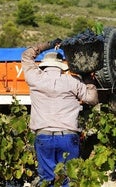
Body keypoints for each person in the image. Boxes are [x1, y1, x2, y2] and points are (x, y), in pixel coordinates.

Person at [21, 39, 98, 186]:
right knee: (69, 180)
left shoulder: (35, 78)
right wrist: (88, 77)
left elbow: (26, 55)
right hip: (68, 137)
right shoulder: (73, 82)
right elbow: (93, 100)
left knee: (47, 180)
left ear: (44, 65)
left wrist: (49, 44)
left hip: (43, 137)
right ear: (61, 67)